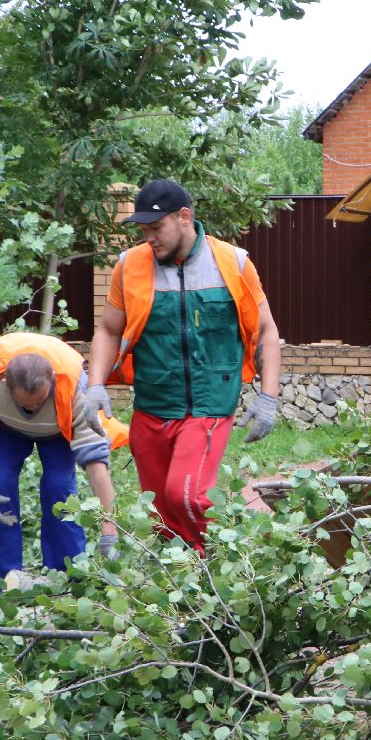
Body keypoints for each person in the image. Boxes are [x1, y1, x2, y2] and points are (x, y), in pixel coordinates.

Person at [87, 179, 282, 552]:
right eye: (144, 230)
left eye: (156, 228)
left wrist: (268, 397)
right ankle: (193, 584)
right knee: (162, 514)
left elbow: (267, 331)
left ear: (184, 217)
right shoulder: (129, 266)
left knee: (186, 495)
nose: (150, 238)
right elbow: (109, 330)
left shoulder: (233, 264)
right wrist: (95, 385)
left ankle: (249, 551)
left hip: (208, 406)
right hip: (152, 406)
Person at [0, 332, 117, 576]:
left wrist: (109, 530)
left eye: (40, 401)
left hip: (59, 428)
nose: (34, 409)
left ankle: (66, 573)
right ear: (5, 383)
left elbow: (95, 458)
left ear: (52, 382)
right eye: (27, 405)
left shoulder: (73, 386)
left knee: (59, 485)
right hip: (3, 425)